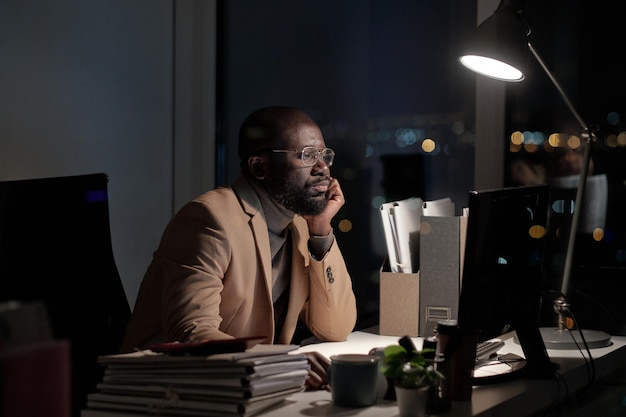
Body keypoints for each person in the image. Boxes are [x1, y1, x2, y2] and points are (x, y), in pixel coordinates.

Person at [119, 106, 357, 390]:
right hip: (162, 390)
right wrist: (283, 364)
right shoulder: (208, 218)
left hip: (241, 385)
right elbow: (191, 333)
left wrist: (321, 229)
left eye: (323, 155)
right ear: (259, 167)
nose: (323, 168)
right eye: (306, 156)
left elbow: (335, 328)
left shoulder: (300, 224)